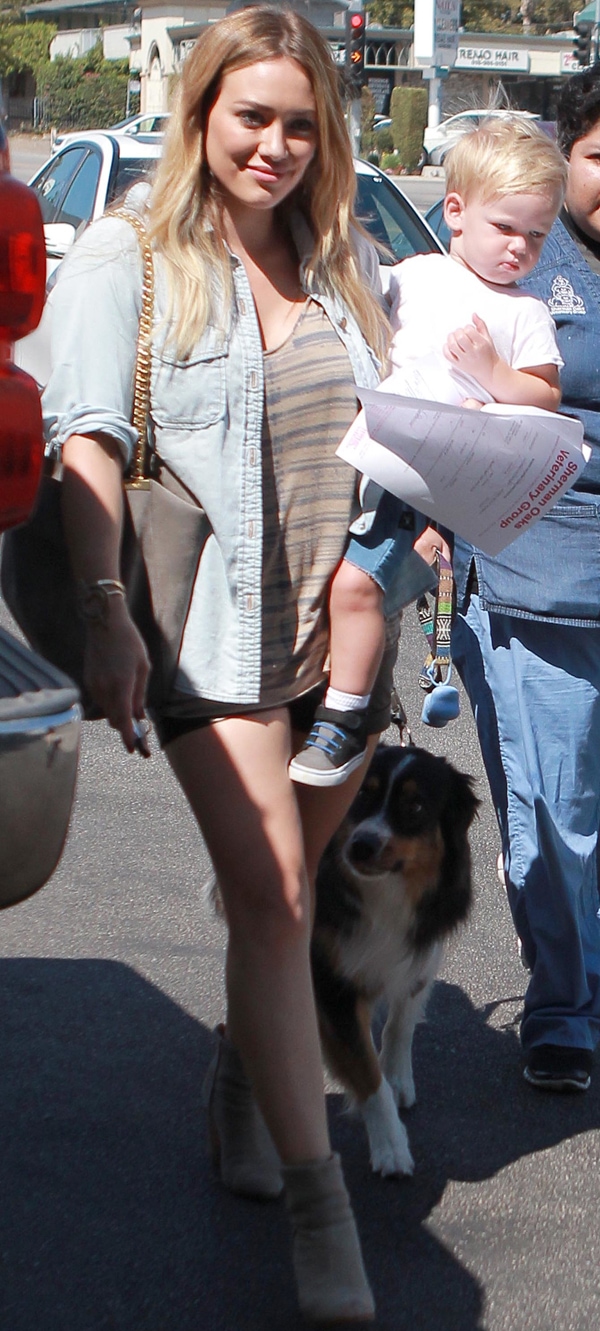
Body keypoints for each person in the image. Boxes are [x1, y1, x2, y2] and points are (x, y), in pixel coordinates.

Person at [39, 6, 415, 1321]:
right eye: (253, 116)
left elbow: (395, 430)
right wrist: (104, 613)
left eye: (301, 124)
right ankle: (326, 1218)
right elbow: (88, 443)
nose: (276, 145)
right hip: (206, 627)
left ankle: (238, 1074)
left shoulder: (341, 265)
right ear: (203, 115)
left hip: (344, 628)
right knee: (270, 899)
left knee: (294, 885)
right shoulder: (127, 257)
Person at [290, 117, 566, 788]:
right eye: (505, 228)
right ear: (455, 212)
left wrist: (494, 374)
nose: (519, 250)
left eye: (536, 236)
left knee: (357, 587)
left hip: (426, 484)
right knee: (319, 582)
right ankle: (323, 688)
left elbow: (546, 397)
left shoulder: (524, 313)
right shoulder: (412, 275)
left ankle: (346, 714)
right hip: (360, 458)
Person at [451, 70, 600, 1093]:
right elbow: (422, 396)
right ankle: (566, 1007)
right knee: (558, 812)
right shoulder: (508, 254)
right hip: (536, 582)